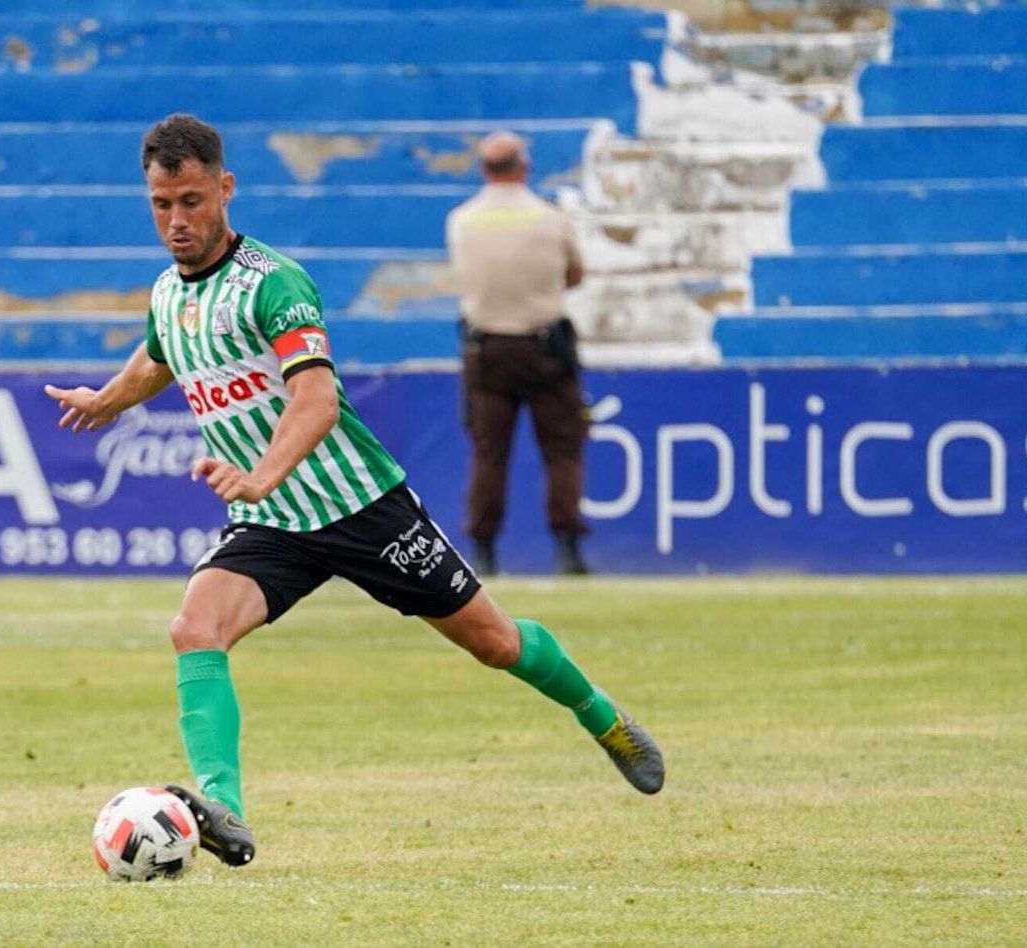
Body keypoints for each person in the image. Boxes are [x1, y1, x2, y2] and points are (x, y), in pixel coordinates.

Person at [45, 114, 661, 869]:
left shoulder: (273, 283)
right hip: (274, 522)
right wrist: (108, 399)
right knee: (194, 628)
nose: (177, 220)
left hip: (361, 506)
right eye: (162, 205)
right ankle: (223, 807)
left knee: (496, 644)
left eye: (193, 201)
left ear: (226, 189)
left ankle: (603, 719)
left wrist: (261, 473)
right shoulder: (169, 294)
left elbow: (317, 401)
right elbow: (161, 355)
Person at [446, 131, 591, 577]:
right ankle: (567, 548)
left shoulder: (461, 220)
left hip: (486, 349)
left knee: (489, 453)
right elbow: (575, 274)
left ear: (484, 170)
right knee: (563, 449)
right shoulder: (550, 218)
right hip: (543, 346)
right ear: (523, 167)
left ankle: (484, 550)